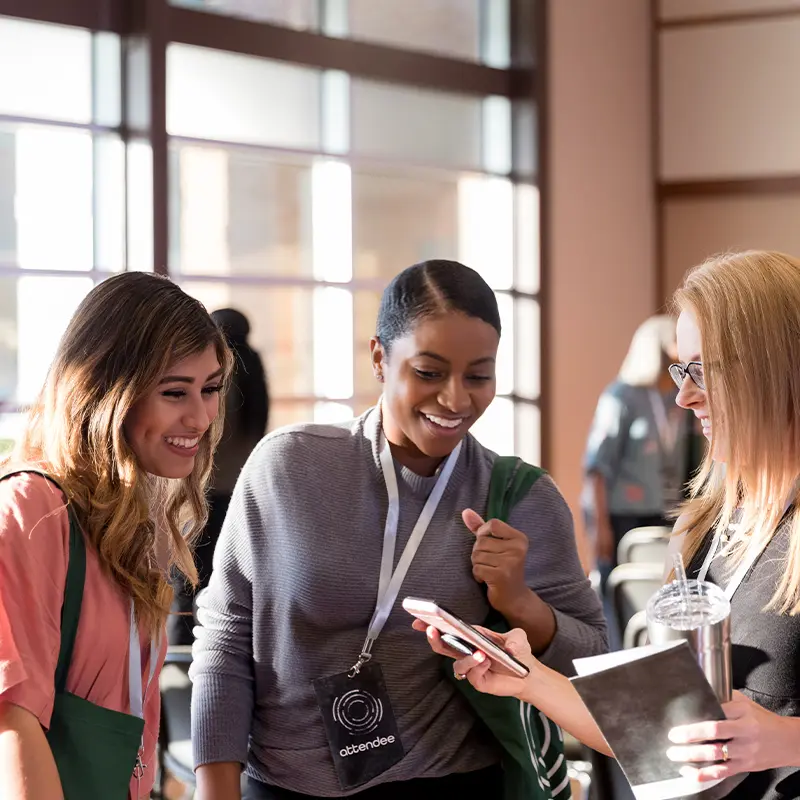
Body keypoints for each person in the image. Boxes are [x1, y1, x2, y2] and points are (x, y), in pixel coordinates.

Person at [191, 260, 607, 800]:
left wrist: (521, 602)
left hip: (452, 782)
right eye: (430, 373)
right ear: (380, 359)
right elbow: (226, 638)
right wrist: (214, 788)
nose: (456, 400)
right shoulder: (289, 468)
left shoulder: (520, 498)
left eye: (478, 375)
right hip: (282, 785)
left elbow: (594, 666)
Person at [422, 250, 800, 800]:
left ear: (772, 366)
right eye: (680, 369)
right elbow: (651, 727)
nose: (684, 395)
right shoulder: (705, 527)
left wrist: (788, 740)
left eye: (701, 370)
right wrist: (525, 676)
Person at [0, 272, 231, 799]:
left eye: (211, 389)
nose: (199, 417)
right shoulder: (32, 508)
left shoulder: (130, 517)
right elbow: (11, 718)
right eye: (175, 392)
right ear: (107, 390)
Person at [168, 307, 268, 646]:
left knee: (190, 570)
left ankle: (184, 643)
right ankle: (209, 640)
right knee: (218, 571)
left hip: (208, 485)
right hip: (238, 486)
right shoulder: (256, 369)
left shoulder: (223, 375)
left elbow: (209, 436)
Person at [583, 315, 701, 588]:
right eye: (674, 342)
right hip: (625, 516)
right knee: (626, 591)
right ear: (656, 347)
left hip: (671, 513)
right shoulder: (621, 396)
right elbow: (596, 467)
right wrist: (599, 528)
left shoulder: (681, 398)